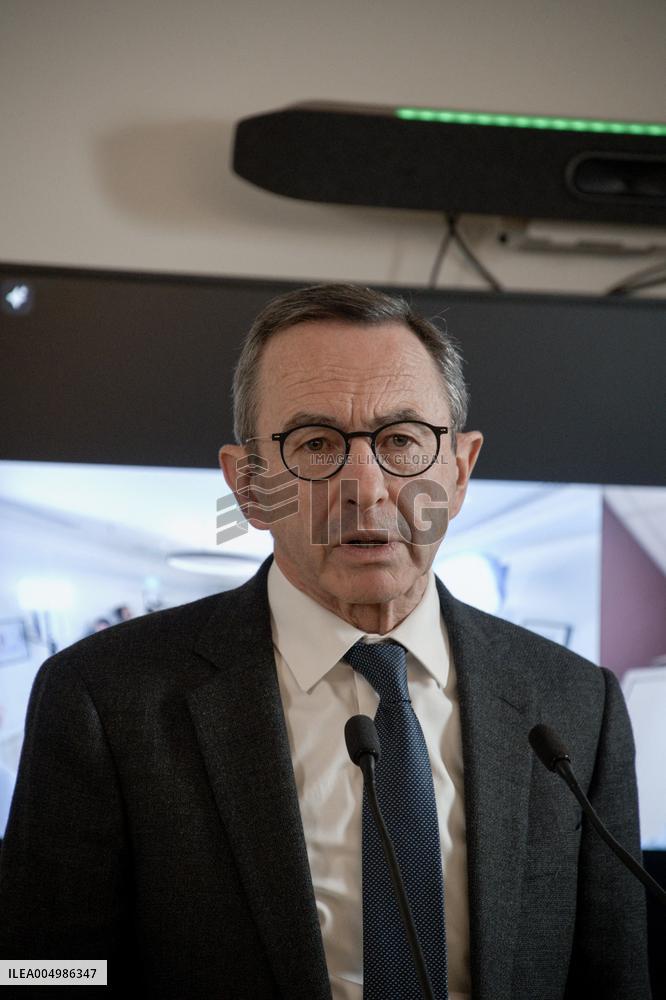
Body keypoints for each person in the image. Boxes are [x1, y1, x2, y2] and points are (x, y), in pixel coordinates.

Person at [0, 284, 651, 999]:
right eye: (315, 444)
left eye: (402, 440)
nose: (366, 488)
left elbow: (615, 979)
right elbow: (40, 974)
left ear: (460, 472)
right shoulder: (102, 697)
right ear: (249, 486)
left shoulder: (576, 702)